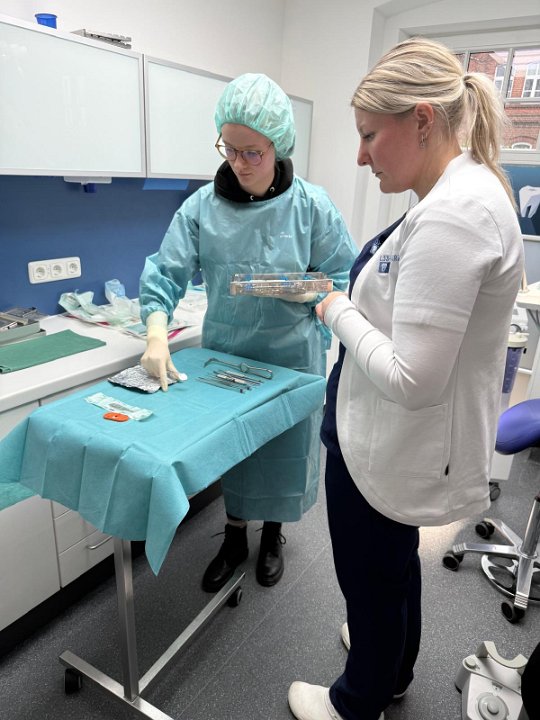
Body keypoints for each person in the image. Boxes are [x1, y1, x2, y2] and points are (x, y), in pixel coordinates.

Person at [287, 37, 524, 720]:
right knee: (390, 570)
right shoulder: (454, 192)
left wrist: (333, 307)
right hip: (385, 437)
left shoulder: (454, 213)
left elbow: (415, 378)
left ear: (421, 120)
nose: (361, 156)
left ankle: (355, 701)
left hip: (392, 442)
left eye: (368, 135)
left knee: (369, 576)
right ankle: (389, 667)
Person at [138, 73, 357, 593]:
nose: (239, 162)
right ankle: (234, 535)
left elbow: (344, 277)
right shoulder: (201, 208)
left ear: (278, 146)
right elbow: (166, 271)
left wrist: (302, 288)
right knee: (236, 451)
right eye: (229, 149)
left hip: (291, 358)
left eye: (252, 152)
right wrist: (155, 330)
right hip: (228, 355)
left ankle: (273, 534)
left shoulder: (312, 206)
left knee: (283, 448)